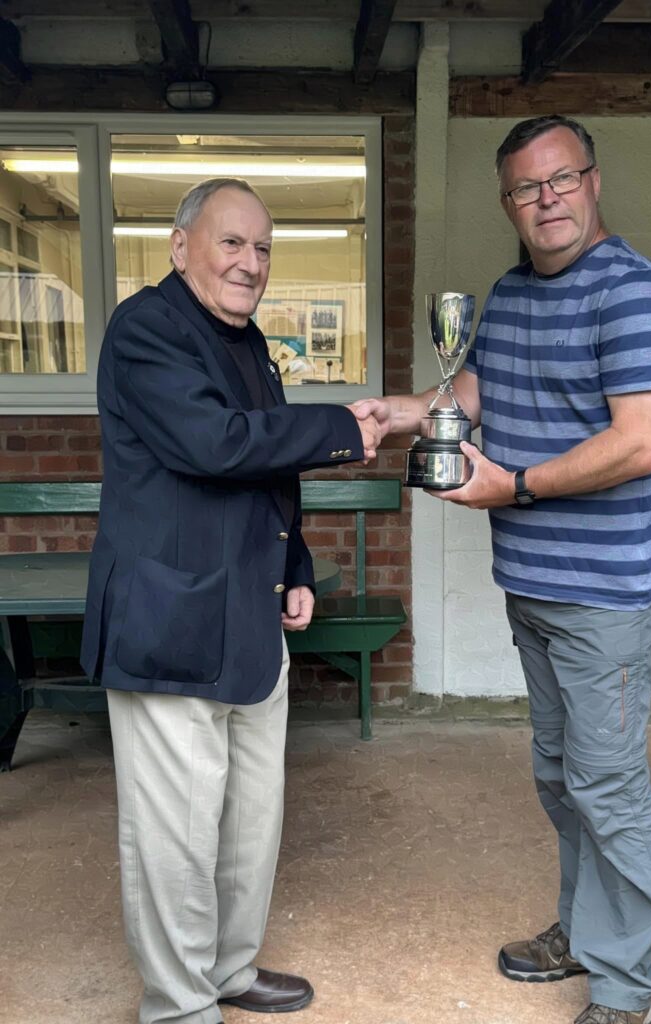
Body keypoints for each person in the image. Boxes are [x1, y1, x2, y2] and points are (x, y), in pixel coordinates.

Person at [353, 115, 651, 1024]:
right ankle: (584, 931)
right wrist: (398, 412)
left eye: (561, 179)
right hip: (537, 587)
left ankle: (626, 991)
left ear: (592, 181)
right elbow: (471, 391)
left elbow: (643, 444)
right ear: (508, 201)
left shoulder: (632, 295)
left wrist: (515, 487)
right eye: (525, 188)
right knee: (559, 774)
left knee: (607, 785)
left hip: (606, 596)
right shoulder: (512, 293)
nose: (545, 199)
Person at [81, 177, 381, 1024]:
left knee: (251, 814)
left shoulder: (247, 342)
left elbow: (264, 473)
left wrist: (297, 570)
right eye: (231, 243)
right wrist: (340, 426)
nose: (251, 264)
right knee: (175, 835)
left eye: (263, 249)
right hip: (167, 617)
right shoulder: (147, 330)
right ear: (181, 248)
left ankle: (229, 969)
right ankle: (179, 1006)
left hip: (250, 606)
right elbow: (214, 445)